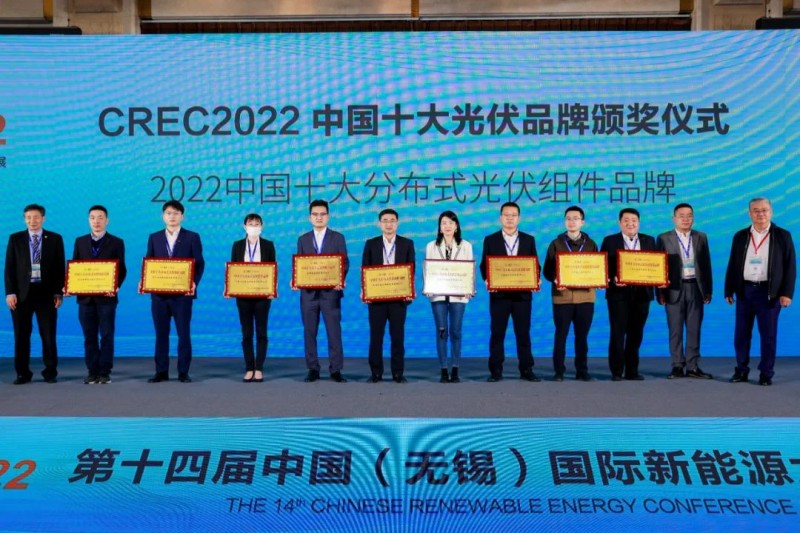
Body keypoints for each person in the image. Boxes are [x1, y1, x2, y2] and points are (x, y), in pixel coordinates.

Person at [725, 197, 795, 386]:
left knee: (768, 336)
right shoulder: (740, 236)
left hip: (769, 293)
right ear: (749, 213)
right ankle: (741, 370)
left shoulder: (782, 235)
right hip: (745, 291)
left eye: (764, 210)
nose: (760, 214)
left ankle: (766, 373)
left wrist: (787, 293)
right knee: (741, 335)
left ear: (771, 212)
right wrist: (728, 290)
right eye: (756, 210)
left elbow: (790, 266)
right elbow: (732, 264)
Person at [143, 200, 205, 383]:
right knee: (161, 334)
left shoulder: (192, 237)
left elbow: (200, 263)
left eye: (176, 213)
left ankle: (183, 372)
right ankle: (161, 371)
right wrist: (145, 280)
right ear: (163, 216)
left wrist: (193, 283)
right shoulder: (154, 237)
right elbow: (149, 263)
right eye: (168, 213)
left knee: (183, 334)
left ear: (182, 216)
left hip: (182, 296)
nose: (172, 216)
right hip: (159, 296)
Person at [479, 201, 541, 383]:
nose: (510, 218)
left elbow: (535, 265)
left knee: (523, 333)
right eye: (506, 215)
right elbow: (484, 265)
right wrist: (488, 280)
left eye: (513, 215)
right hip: (499, 295)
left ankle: (526, 369)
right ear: (500, 218)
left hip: (522, 296)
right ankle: (496, 370)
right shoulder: (490, 239)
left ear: (519, 218)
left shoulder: (529, 239)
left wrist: (535, 278)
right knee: (497, 333)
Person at [4, 204, 65, 384]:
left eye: (36, 217)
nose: (32, 221)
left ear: (43, 218)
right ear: (24, 219)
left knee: (48, 335)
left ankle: (50, 372)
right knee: (21, 335)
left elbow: (59, 268)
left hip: (46, 294)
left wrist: (58, 292)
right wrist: (10, 293)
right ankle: (22, 373)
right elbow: (9, 268)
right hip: (21, 295)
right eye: (29, 217)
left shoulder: (55, 238)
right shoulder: (15, 239)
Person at [67, 205, 127, 384]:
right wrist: (70, 285)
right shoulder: (80, 241)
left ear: (107, 220)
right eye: (92, 217)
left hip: (107, 298)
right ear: (88, 220)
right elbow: (75, 268)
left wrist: (115, 286)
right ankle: (92, 371)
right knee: (89, 336)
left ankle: (105, 371)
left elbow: (122, 269)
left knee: (107, 335)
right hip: (85, 299)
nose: (96, 221)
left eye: (100, 217)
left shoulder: (116, 242)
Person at [656, 203, 713, 380]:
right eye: (682, 216)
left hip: (696, 287)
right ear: (674, 219)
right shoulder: (663, 238)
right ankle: (677, 366)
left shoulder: (701, 237)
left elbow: (706, 264)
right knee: (675, 330)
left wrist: (708, 290)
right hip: (673, 289)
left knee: (694, 329)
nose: (686, 219)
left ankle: (693, 366)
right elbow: (658, 266)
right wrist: (660, 292)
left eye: (689, 215)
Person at [542, 206, 598, 382]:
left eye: (576, 218)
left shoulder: (591, 244)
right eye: (568, 218)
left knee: (582, 336)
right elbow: (547, 270)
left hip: (586, 297)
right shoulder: (556, 244)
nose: (572, 221)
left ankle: (582, 370)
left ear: (582, 222)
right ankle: (559, 371)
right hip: (562, 297)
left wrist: (599, 279)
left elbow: (598, 268)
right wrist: (555, 279)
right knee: (561, 335)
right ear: (564, 221)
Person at [296, 199, 349, 383]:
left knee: (334, 332)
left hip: (330, 293)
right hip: (308, 295)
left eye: (322, 214)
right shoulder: (303, 239)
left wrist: (339, 279)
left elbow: (344, 262)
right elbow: (300, 265)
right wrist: (296, 279)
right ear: (310, 217)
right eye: (315, 214)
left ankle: (336, 370)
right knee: (309, 332)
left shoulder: (338, 238)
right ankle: (313, 369)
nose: (319, 217)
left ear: (328, 216)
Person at [600, 207, 656, 381]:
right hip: (618, 295)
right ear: (619, 223)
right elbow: (602, 266)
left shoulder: (649, 240)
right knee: (617, 333)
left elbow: (655, 266)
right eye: (626, 220)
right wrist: (612, 278)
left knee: (636, 333)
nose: (630, 224)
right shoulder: (610, 241)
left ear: (639, 222)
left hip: (642, 295)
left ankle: (632, 371)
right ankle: (617, 371)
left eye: (634, 220)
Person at [361, 208, 415, 383]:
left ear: (397, 223)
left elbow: (411, 270)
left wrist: (409, 290)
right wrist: (365, 289)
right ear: (379, 224)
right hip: (376, 298)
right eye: (385, 220)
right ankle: (376, 373)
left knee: (397, 336)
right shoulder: (371, 244)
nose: (389, 224)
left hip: (398, 299)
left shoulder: (407, 243)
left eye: (392, 220)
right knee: (376, 336)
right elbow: (365, 269)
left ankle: (398, 373)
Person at [424, 210, 473, 383]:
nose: (447, 226)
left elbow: (470, 270)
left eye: (451, 223)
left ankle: (456, 369)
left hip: (459, 295)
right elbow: (427, 269)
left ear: (456, 226)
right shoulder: (431, 246)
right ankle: (444, 369)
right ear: (439, 227)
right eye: (444, 223)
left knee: (456, 331)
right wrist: (428, 287)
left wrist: (469, 288)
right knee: (441, 331)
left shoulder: (466, 246)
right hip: (438, 295)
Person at [230, 213, 276, 383]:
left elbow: (273, 268)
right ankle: (249, 367)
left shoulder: (268, 245)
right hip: (243, 295)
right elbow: (233, 269)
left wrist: (272, 289)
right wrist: (230, 288)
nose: (254, 226)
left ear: (262, 226)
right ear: (245, 226)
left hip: (263, 295)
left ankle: (259, 368)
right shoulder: (237, 245)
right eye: (251, 223)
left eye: (257, 224)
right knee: (247, 333)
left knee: (261, 332)